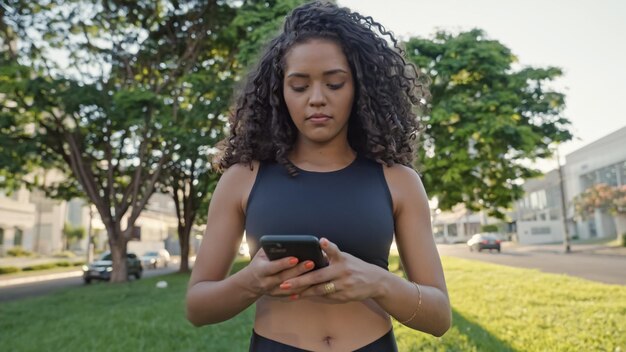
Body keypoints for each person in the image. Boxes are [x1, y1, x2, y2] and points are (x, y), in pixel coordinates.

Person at [186, 1, 451, 351]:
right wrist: (252, 281)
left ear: (359, 88)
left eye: (335, 83)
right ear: (279, 92)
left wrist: (378, 283)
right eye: (299, 86)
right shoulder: (242, 178)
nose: (316, 99)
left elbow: (439, 317)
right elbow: (197, 307)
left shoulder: (398, 180)